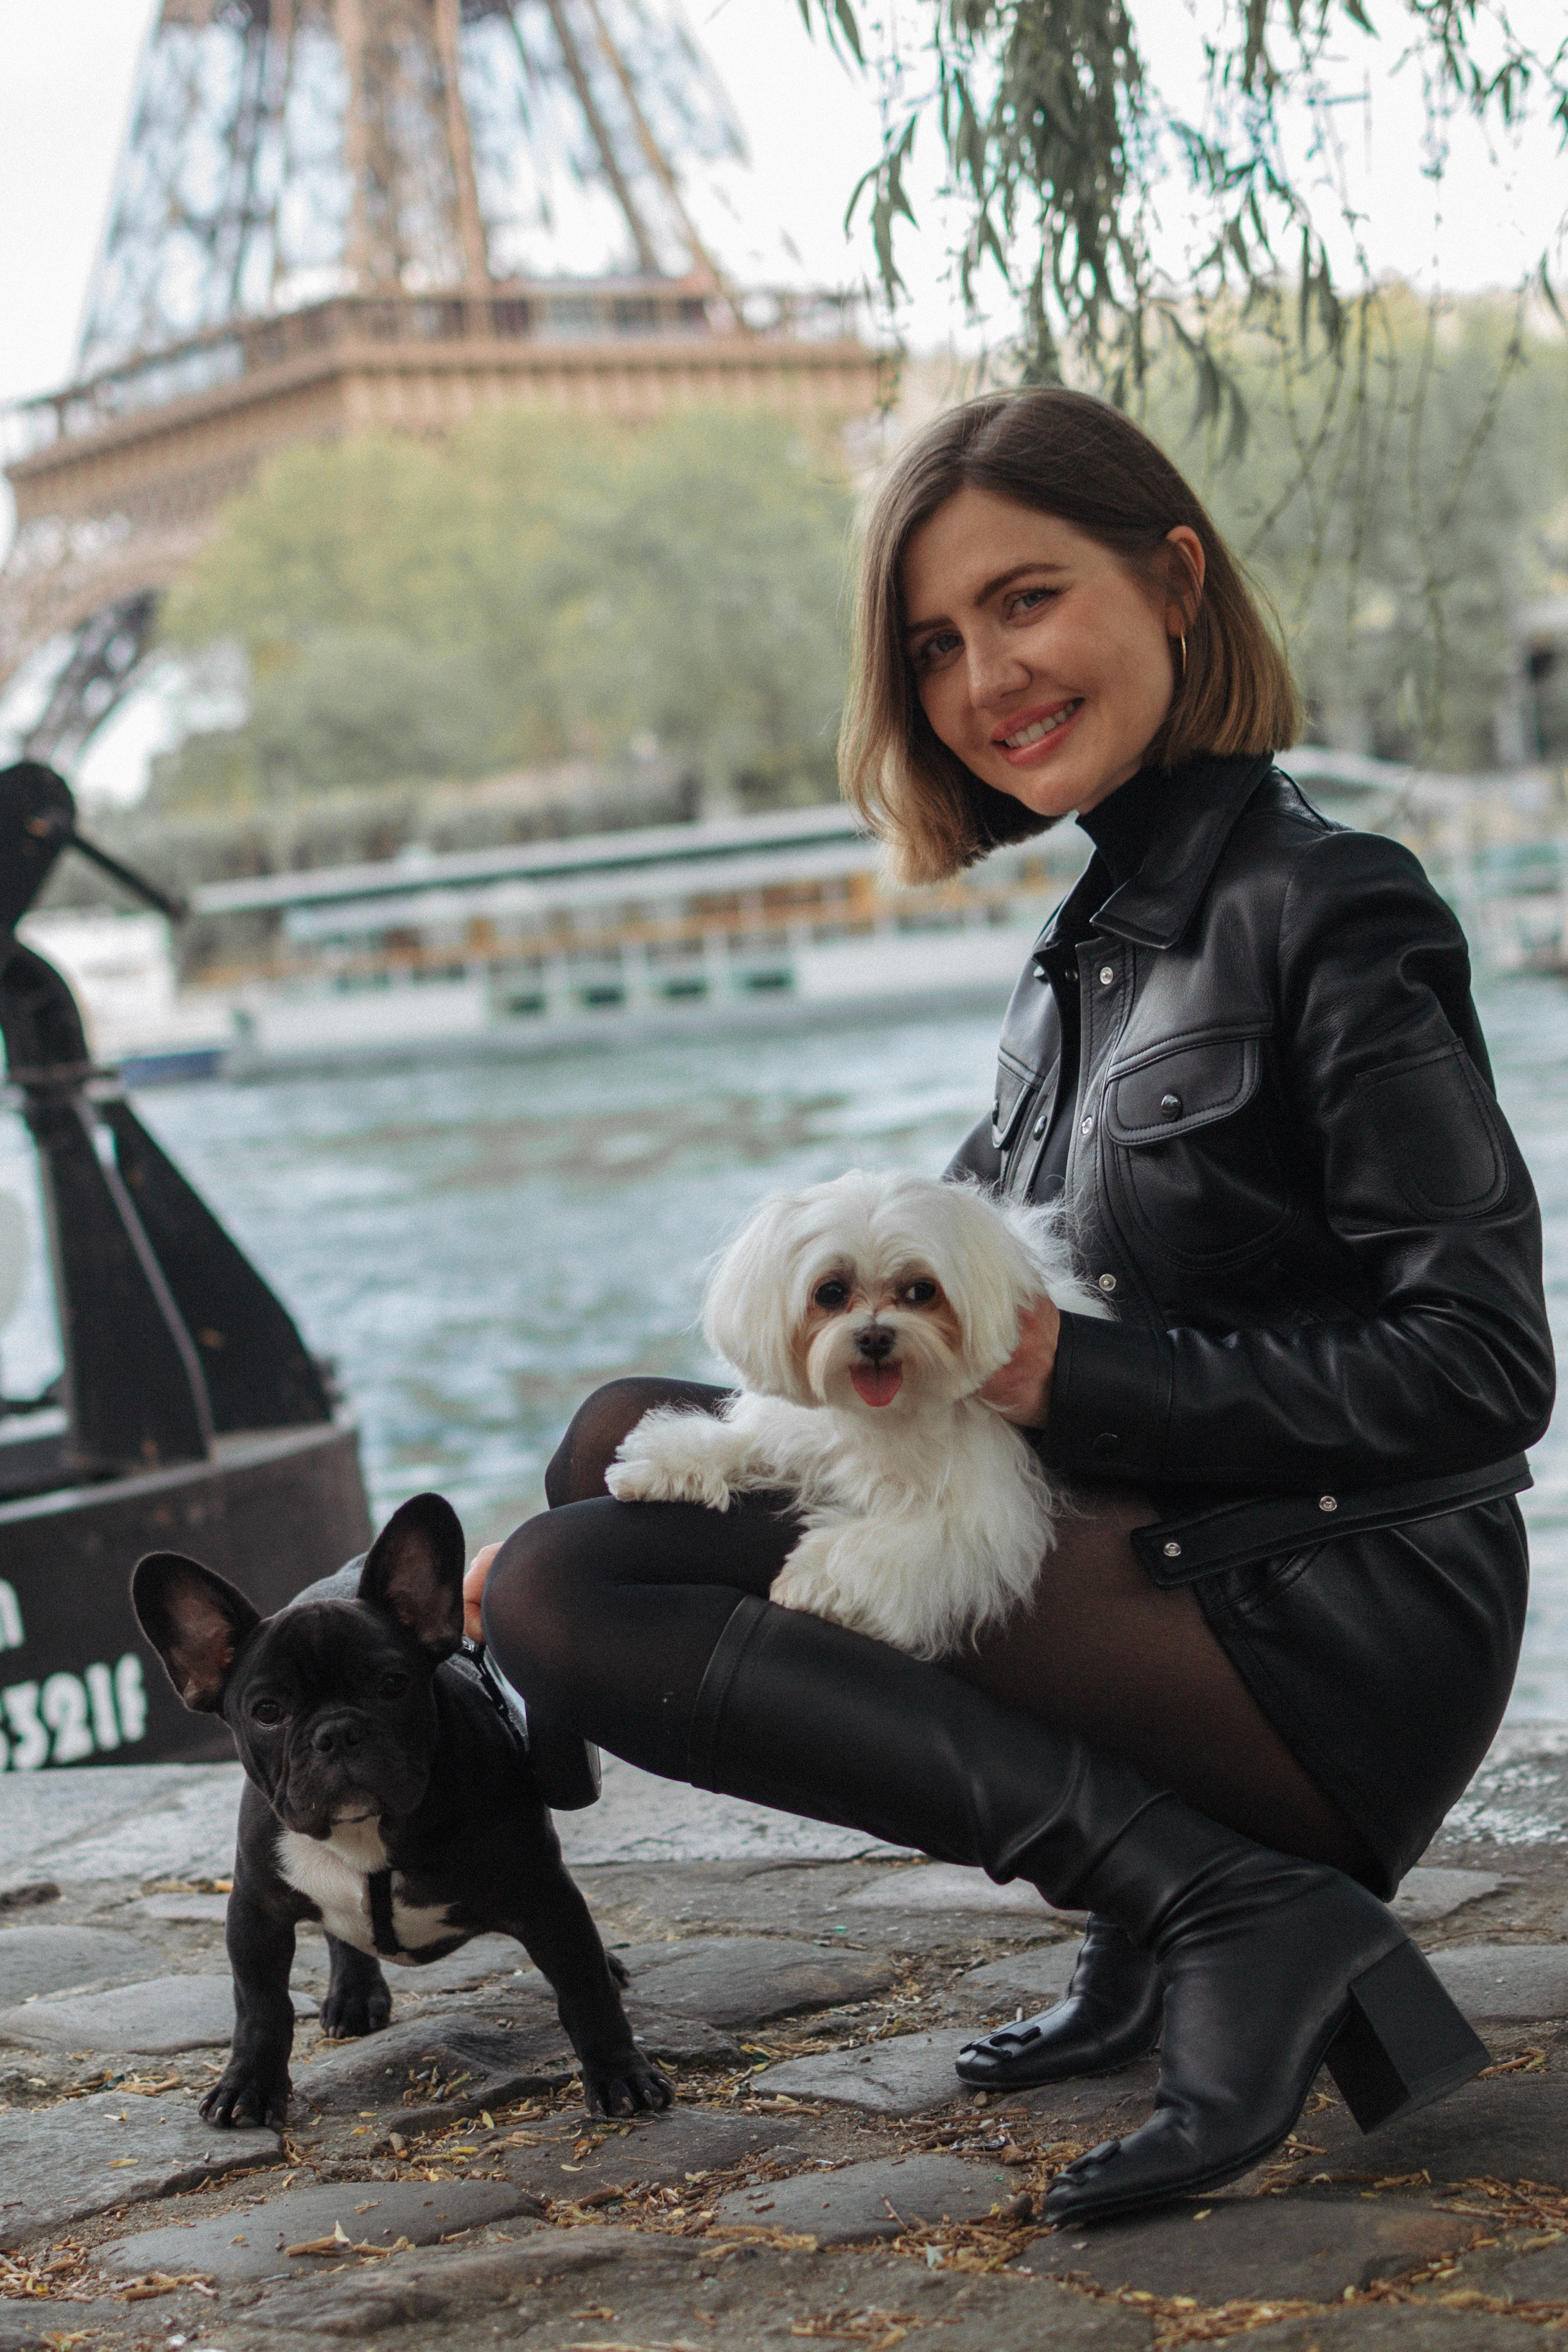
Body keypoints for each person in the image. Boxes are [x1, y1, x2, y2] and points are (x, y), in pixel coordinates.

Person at [466, 389, 1554, 2221]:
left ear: (1174, 580)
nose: (985, 675)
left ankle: (1230, 1901)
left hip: (1326, 1612)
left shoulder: (1333, 907)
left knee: (571, 1590)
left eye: (1026, 601)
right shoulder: (1078, 962)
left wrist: (1071, 1373)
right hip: (1169, 1554)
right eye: (935, 643)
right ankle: (1153, 1902)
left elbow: (1481, 1364)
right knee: (609, 1444)